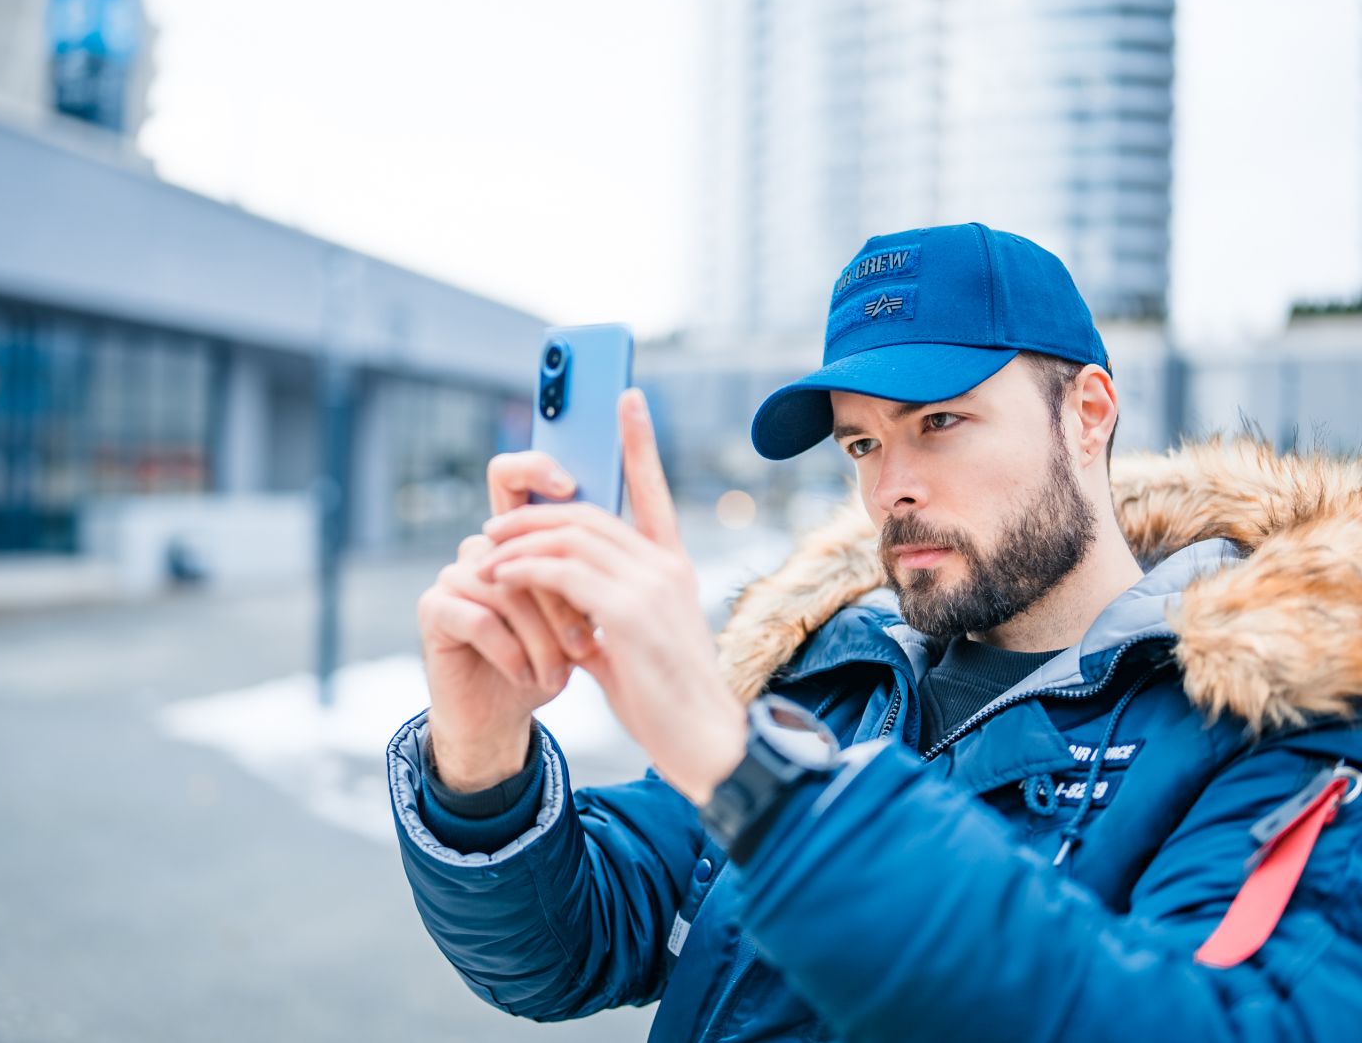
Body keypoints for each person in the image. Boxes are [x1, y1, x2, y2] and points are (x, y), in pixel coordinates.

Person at [386, 223, 1362, 1041]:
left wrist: (758, 780)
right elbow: (572, 945)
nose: (888, 484)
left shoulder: (1275, 721)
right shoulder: (828, 677)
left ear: (1088, 414)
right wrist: (479, 758)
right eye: (862, 441)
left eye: (937, 421)